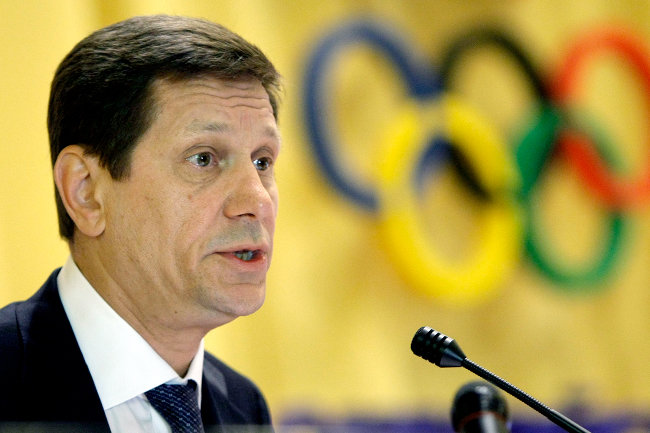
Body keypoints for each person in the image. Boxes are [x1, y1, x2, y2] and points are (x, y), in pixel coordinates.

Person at [0, 14, 282, 433]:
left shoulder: (244, 407)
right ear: (85, 191)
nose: (257, 200)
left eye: (262, 161)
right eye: (203, 158)